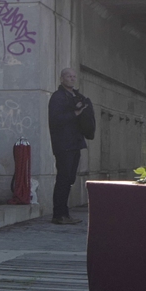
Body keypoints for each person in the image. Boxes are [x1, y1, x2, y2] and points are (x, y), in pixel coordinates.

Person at [48, 68, 94, 225]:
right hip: (63, 144)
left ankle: (64, 214)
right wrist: (75, 113)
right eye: (69, 76)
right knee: (63, 178)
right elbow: (55, 120)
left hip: (75, 143)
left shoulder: (76, 96)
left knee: (69, 179)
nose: (72, 79)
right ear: (62, 79)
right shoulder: (58, 97)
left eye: (74, 76)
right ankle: (58, 214)